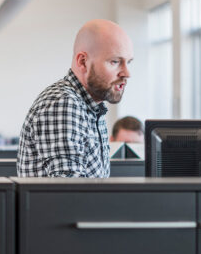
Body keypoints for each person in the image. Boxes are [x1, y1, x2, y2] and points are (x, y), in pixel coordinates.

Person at [17, 19, 133, 177]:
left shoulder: (93, 109)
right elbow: (70, 195)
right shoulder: (63, 103)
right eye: (115, 62)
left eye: (128, 63)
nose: (127, 73)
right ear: (83, 62)